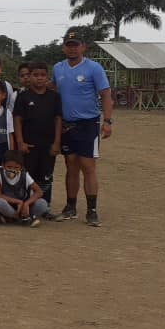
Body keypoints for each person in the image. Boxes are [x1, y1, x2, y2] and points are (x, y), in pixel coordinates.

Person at [53, 29, 113, 226]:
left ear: (83, 47)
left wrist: (107, 121)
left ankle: (92, 210)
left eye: (76, 45)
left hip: (88, 124)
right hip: (66, 125)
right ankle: (70, 207)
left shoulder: (94, 68)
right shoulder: (58, 68)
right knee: (71, 165)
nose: (72, 49)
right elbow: (52, 90)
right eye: (68, 45)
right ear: (63, 48)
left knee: (88, 166)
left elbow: (105, 94)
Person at [12, 61, 62, 214]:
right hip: (29, 146)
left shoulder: (54, 97)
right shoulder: (23, 97)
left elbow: (58, 120)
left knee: (46, 176)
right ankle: (26, 207)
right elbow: (17, 120)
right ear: (30, 77)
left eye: (42, 75)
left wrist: (57, 143)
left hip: (48, 145)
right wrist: (20, 142)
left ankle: (45, 207)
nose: (39, 78)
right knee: (28, 176)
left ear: (47, 77)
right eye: (35, 75)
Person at [0, 150, 48, 227]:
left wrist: (26, 204)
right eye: (9, 167)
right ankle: (19, 217)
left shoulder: (24, 175)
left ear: (21, 168)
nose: (12, 170)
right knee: (0, 202)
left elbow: (39, 192)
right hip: (8, 205)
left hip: (23, 206)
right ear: (3, 165)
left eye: (16, 167)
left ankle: (23, 216)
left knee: (43, 203)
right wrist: (18, 202)